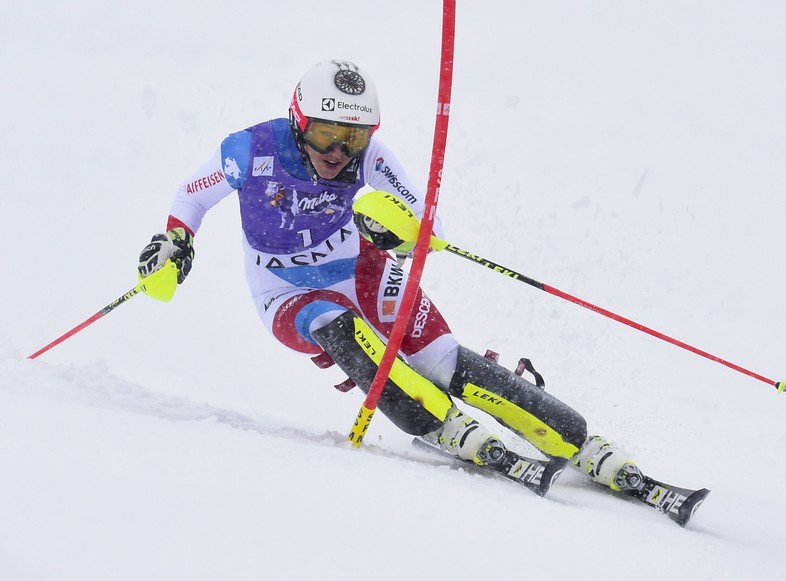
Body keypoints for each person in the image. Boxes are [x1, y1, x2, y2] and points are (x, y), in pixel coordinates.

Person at [137, 59, 644, 496]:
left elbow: (429, 225)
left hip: (360, 267)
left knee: (442, 361)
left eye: (353, 137)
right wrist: (175, 240)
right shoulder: (249, 150)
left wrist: (399, 233)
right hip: (286, 292)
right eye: (325, 135)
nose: (338, 153)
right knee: (334, 325)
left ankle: (576, 439)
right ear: (298, 122)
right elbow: (191, 194)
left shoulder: (371, 159)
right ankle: (438, 422)